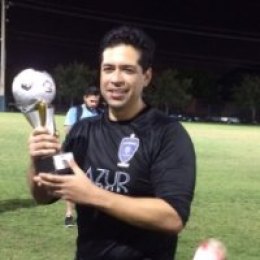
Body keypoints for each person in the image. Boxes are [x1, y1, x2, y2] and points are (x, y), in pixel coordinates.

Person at [28, 26, 196, 260]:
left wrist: (93, 195)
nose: (115, 79)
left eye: (127, 70)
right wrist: (39, 160)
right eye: (108, 69)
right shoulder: (82, 131)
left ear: (146, 76)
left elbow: (172, 217)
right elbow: (44, 196)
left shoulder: (167, 133)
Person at [63, 86, 101, 227]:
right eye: (91, 96)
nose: (95, 98)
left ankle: (91, 215)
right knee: (73, 183)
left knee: (95, 182)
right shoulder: (76, 111)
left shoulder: (101, 112)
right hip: (76, 152)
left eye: (97, 96)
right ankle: (69, 214)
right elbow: (68, 130)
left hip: (95, 154)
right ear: (85, 98)